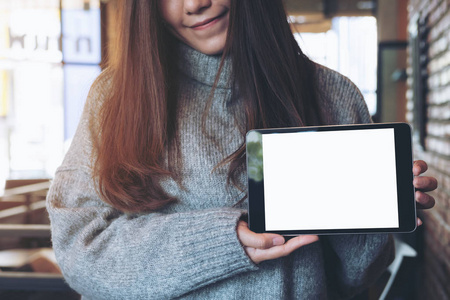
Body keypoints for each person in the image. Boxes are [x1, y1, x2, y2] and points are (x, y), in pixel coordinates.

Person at [46, 0, 438, 299]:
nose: (194, 4)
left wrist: (375, 207)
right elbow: (82, 249)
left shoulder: (332, 95)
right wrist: (225, 239)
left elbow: (354, 278)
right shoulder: (115, 98)